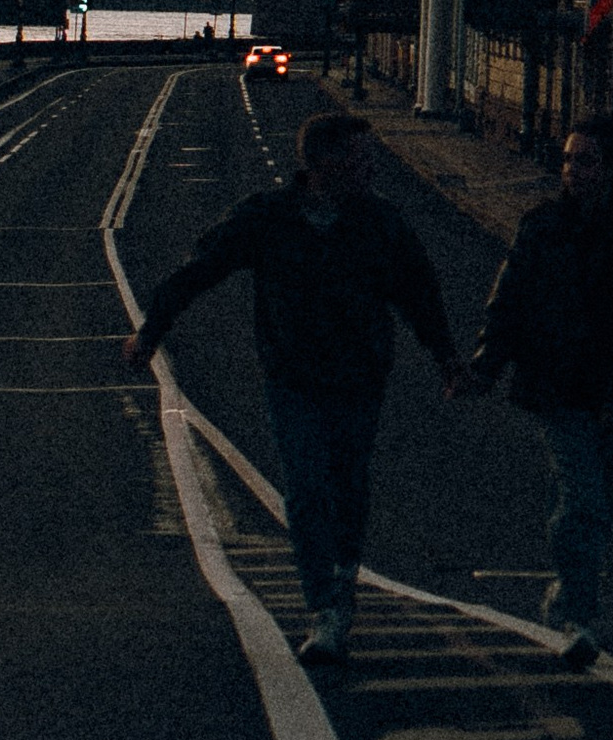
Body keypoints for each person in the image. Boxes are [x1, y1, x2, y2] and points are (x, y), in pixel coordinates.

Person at [127, 105, 463, 663]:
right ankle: (323, 605)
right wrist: (151, 332)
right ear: (323, 163)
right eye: (359, 159)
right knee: (306, 489)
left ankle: (345, 568)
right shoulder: (270, 217)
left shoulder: (380, 222)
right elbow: (200, 268)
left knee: (347, 481)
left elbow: (418, 292)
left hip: (359, 376)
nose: (371, 169)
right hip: (293, 377)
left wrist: (447, 358)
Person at [471, 114, 613, 668]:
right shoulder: (542, 226)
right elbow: (508, 300)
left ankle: (567, 589)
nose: (571, 170)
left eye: (584, 160)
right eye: (567, 159)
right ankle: (580, 618)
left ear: (612, 170)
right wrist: (485, 366)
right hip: (560, 386)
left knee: (598, 502)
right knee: (580, 500)